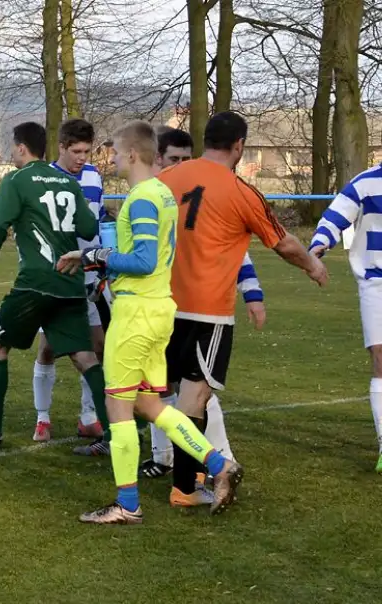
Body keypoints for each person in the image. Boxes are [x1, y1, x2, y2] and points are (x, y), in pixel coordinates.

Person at [62, 120, 243, 525]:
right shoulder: (162, 193)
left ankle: (127, 505)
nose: (108, 158)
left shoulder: (142, 197)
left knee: (117, 406)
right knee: (149, 404)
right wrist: (96, 253)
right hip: (157, 308)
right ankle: (218, 464)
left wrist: (100, 258)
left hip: (137, 312)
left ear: (130, 154)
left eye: (112, 152)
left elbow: (143, 261)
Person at [158, 111, 327, 504]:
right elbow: (283, 243)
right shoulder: (241, 192)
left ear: (204, 141)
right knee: (193, 397)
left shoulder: (166, 180)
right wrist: (313, 264)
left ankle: (185, 475)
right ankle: (185, 487)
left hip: (162, 305)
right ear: (239, 147)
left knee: (167, 393)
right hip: (207, 311)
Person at [0, 122, 110, 448]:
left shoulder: (16, 179)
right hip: (70, 284)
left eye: (13, 148)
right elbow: (86, 225)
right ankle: (115, 435)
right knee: (85, 358)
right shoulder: (69, 182)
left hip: (36, 283)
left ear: (22, 148)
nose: (12, 154)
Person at [139, 127, 265, 492]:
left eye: (186, 158)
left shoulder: (208, 192)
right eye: (174, 159)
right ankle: (175, 463)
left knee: (194, 392)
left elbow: (232, 250)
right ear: (159, 158)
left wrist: (252, 292)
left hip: (190, 307)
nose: (182, 166)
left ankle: (214, 460)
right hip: (163, 306)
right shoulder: (154, 196)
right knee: (164, 392)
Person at [31, 119, 111, 443]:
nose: (81, 157)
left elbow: (99, 219)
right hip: (57, 277)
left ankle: (88, 417)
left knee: (98, 345)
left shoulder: (93, 176)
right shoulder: (44, 179)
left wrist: (102, 256)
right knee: (49, 348)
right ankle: (42, 418)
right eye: (75, 151)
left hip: (89, 274)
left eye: (86, 151)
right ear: (61, 147)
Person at [309, 162, 382, 471]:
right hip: (376, 283)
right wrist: (318, 245)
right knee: (381, 358)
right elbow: (335, 217)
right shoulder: (365, 183)